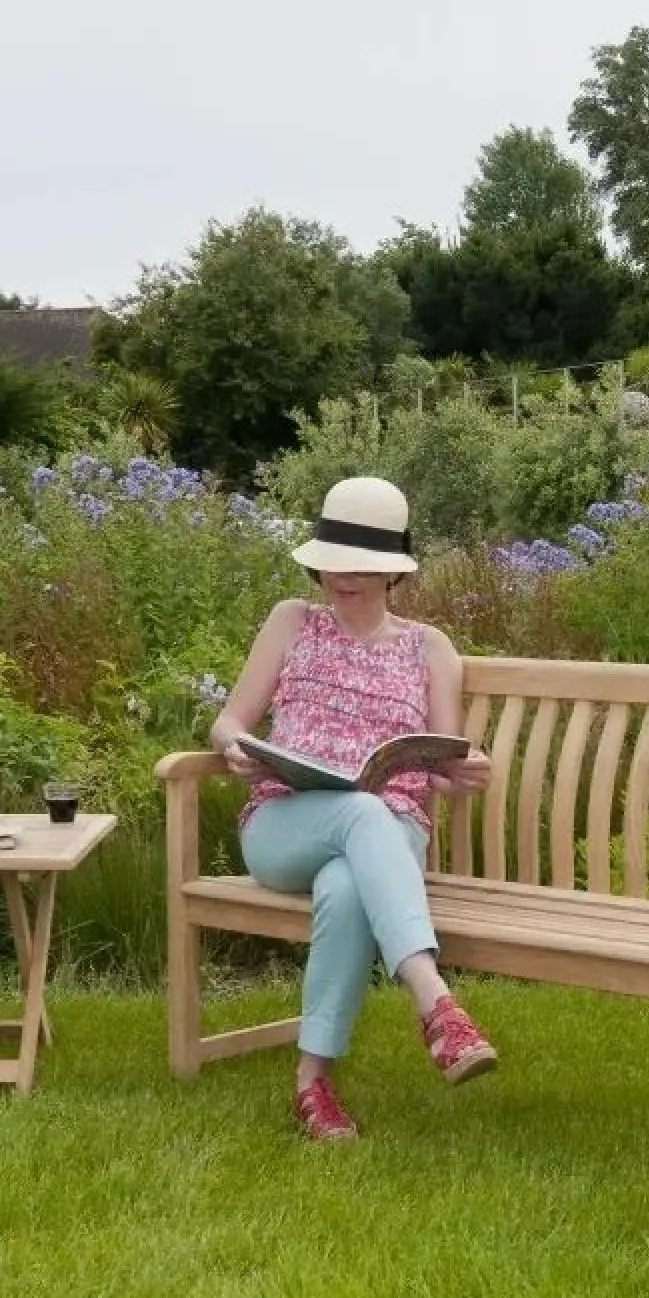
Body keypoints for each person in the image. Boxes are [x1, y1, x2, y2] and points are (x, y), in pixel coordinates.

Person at [210, 475, 498, 1142]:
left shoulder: (431, 649)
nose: (345, 577)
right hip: (286, 822)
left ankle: (312, 1084)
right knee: (360, 814)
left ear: (392, 572)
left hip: (390, 834)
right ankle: (436, 1004)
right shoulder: (291, 622)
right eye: (334, 561)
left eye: (364, 565)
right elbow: (228, 721)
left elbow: (441, 767)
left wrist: (466, 769)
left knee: (348, 879)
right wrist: (237, 750)